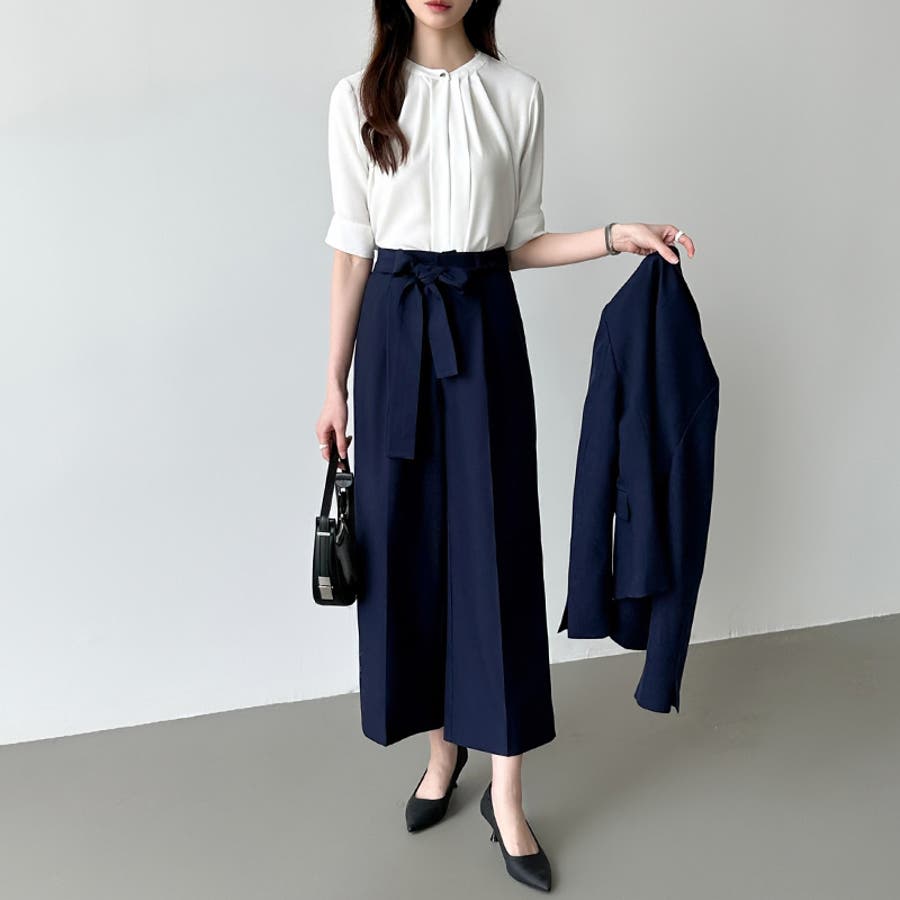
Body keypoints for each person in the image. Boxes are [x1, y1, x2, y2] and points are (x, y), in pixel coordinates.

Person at [315, 1, 696, 891]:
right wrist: (332, 381)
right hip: (394, 337)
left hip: (483, 332)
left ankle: (508, 794)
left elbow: (520, 240)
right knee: (408, 553)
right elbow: (352, 252)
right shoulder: (356, 98)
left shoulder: (516, 95)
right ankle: (442, 753)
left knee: (496, 554)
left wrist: (614, 237)